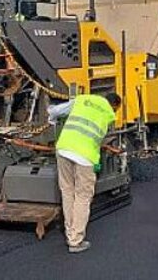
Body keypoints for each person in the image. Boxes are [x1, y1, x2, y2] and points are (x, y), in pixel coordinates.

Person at [49, 92, 121, 254]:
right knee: (83, 196)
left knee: (67, 192)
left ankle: (69, 232)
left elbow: (54, 111)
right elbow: (99, 136)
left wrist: (51, 120)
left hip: (64, 148)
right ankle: (75, 240)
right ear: (115, 106)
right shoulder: (109, 114)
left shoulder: (82, 100)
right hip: (84, 155)